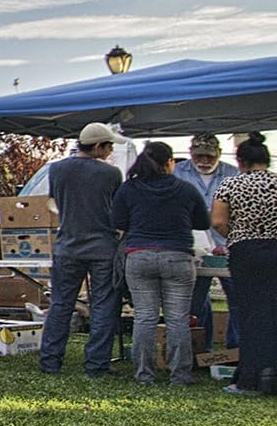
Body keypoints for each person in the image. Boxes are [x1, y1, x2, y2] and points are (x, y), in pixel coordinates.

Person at [111, 141, 208, 386]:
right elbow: (203, 222)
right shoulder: (185, 189)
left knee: (144, 317)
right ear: (170, 163)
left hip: (139, 256)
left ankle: (144, 375)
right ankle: (180, 375)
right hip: (177, 256)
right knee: (177, 319)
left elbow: (118, 221)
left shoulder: (128, 189)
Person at [39, 124, 124, 378]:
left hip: (67, 245)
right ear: (98, 146)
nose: (110, 151)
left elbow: (55, 201)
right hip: (103, 247)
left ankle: (50, 361)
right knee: (103, 306)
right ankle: (96, 365)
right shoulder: (111, 174)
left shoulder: (56, 169)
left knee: (61, 305)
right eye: (108, 146)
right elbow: (116, 209)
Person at [212, 133, 277, 395]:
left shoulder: (230, 185)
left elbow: (217, 221)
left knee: (250, 315)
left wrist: (236, 235)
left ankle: (249, 378)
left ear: (241, 161)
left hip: (245, 252)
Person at [175, 133, 238, 348]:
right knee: (195, 301)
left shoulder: (232, 173)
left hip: (227, 242)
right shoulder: (178, 172)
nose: (204, 162)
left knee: (236, 297)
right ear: (191, 153)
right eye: (199, 156)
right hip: (193, 245)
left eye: (210, 157)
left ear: (219, 154)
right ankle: (201, 348)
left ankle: (235, 349)